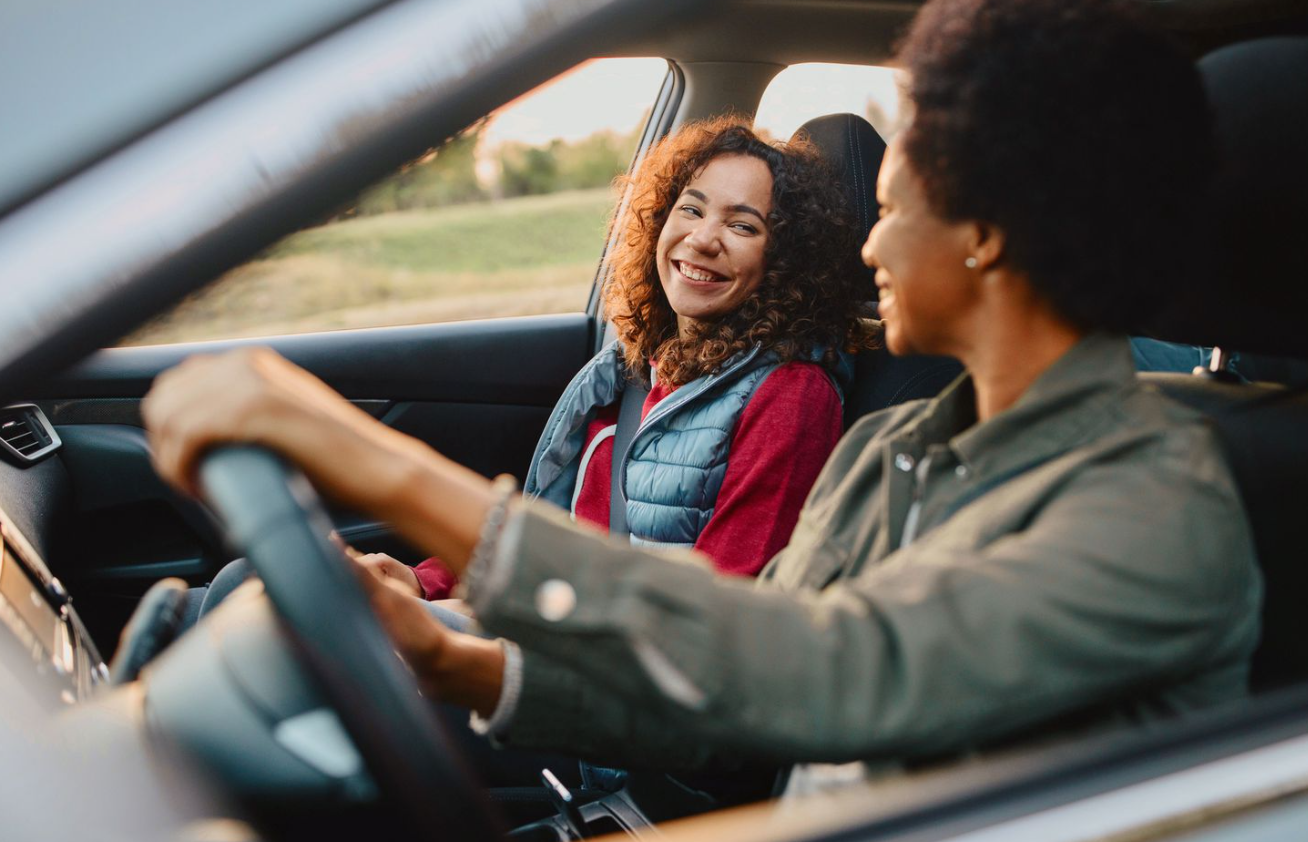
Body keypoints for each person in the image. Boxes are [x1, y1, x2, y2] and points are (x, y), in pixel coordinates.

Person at [143, 0, 1260, 793]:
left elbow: (829, 669)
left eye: (892, 210)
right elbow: (730, 693)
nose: (870, 245)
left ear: (986, 232)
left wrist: (361, 453)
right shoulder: (895, 451)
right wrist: (457, 663)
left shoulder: (1153, 514)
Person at [184, 119, 873, 625]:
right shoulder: (634, 366)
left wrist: (487, 632)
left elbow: (723, 621)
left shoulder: (791, 396)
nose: (702, 237)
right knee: (249, 586)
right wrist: (427, 583)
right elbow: (549, 514)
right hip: (540, 623)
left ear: (784, 261)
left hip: (600, 698)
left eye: (743, 225)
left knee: (280, 614)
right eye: (690, 208)